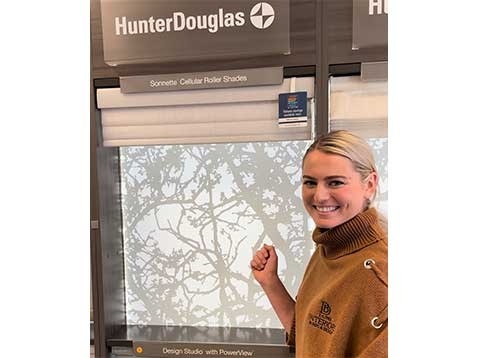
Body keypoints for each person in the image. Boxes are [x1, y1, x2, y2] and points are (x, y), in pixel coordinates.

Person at [250, 130, 387, 357]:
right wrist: (270, 282)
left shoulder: (380, 272)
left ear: (369, 184)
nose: (320, 196)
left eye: (335, 182)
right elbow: (311, 337)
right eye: (310, 182)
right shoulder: (327, 247)